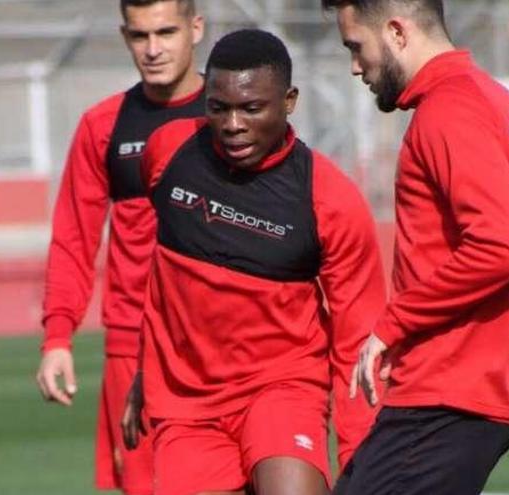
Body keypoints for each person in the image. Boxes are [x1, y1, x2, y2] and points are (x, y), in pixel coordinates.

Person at [321, 1, 509, 494]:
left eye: (356, 46)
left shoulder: (448, 110)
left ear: (396, 31)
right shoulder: (503, 107)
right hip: (475, 394)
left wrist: (392, 325)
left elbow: (503, 248)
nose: (355, 66)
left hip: (444, 393)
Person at [121, 29, 386, 495]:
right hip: (186, 404)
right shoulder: (168, 154)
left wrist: (359, 459)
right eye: (218, 107)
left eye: (251, 108)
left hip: (282, 389)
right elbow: (163, 275)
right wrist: (145, 370)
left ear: (289, 101)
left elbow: (357, 343)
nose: (232, 125)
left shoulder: (330, 198)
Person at [34, 0, 205, 493]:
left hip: (220, 342)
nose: (153, 49)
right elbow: (73, 237)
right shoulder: (103, 126)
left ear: (195, 28)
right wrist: (57, 338)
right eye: (139, 36)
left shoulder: (235, 114)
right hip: (132, 347)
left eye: (166, 32)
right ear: (125, 36)